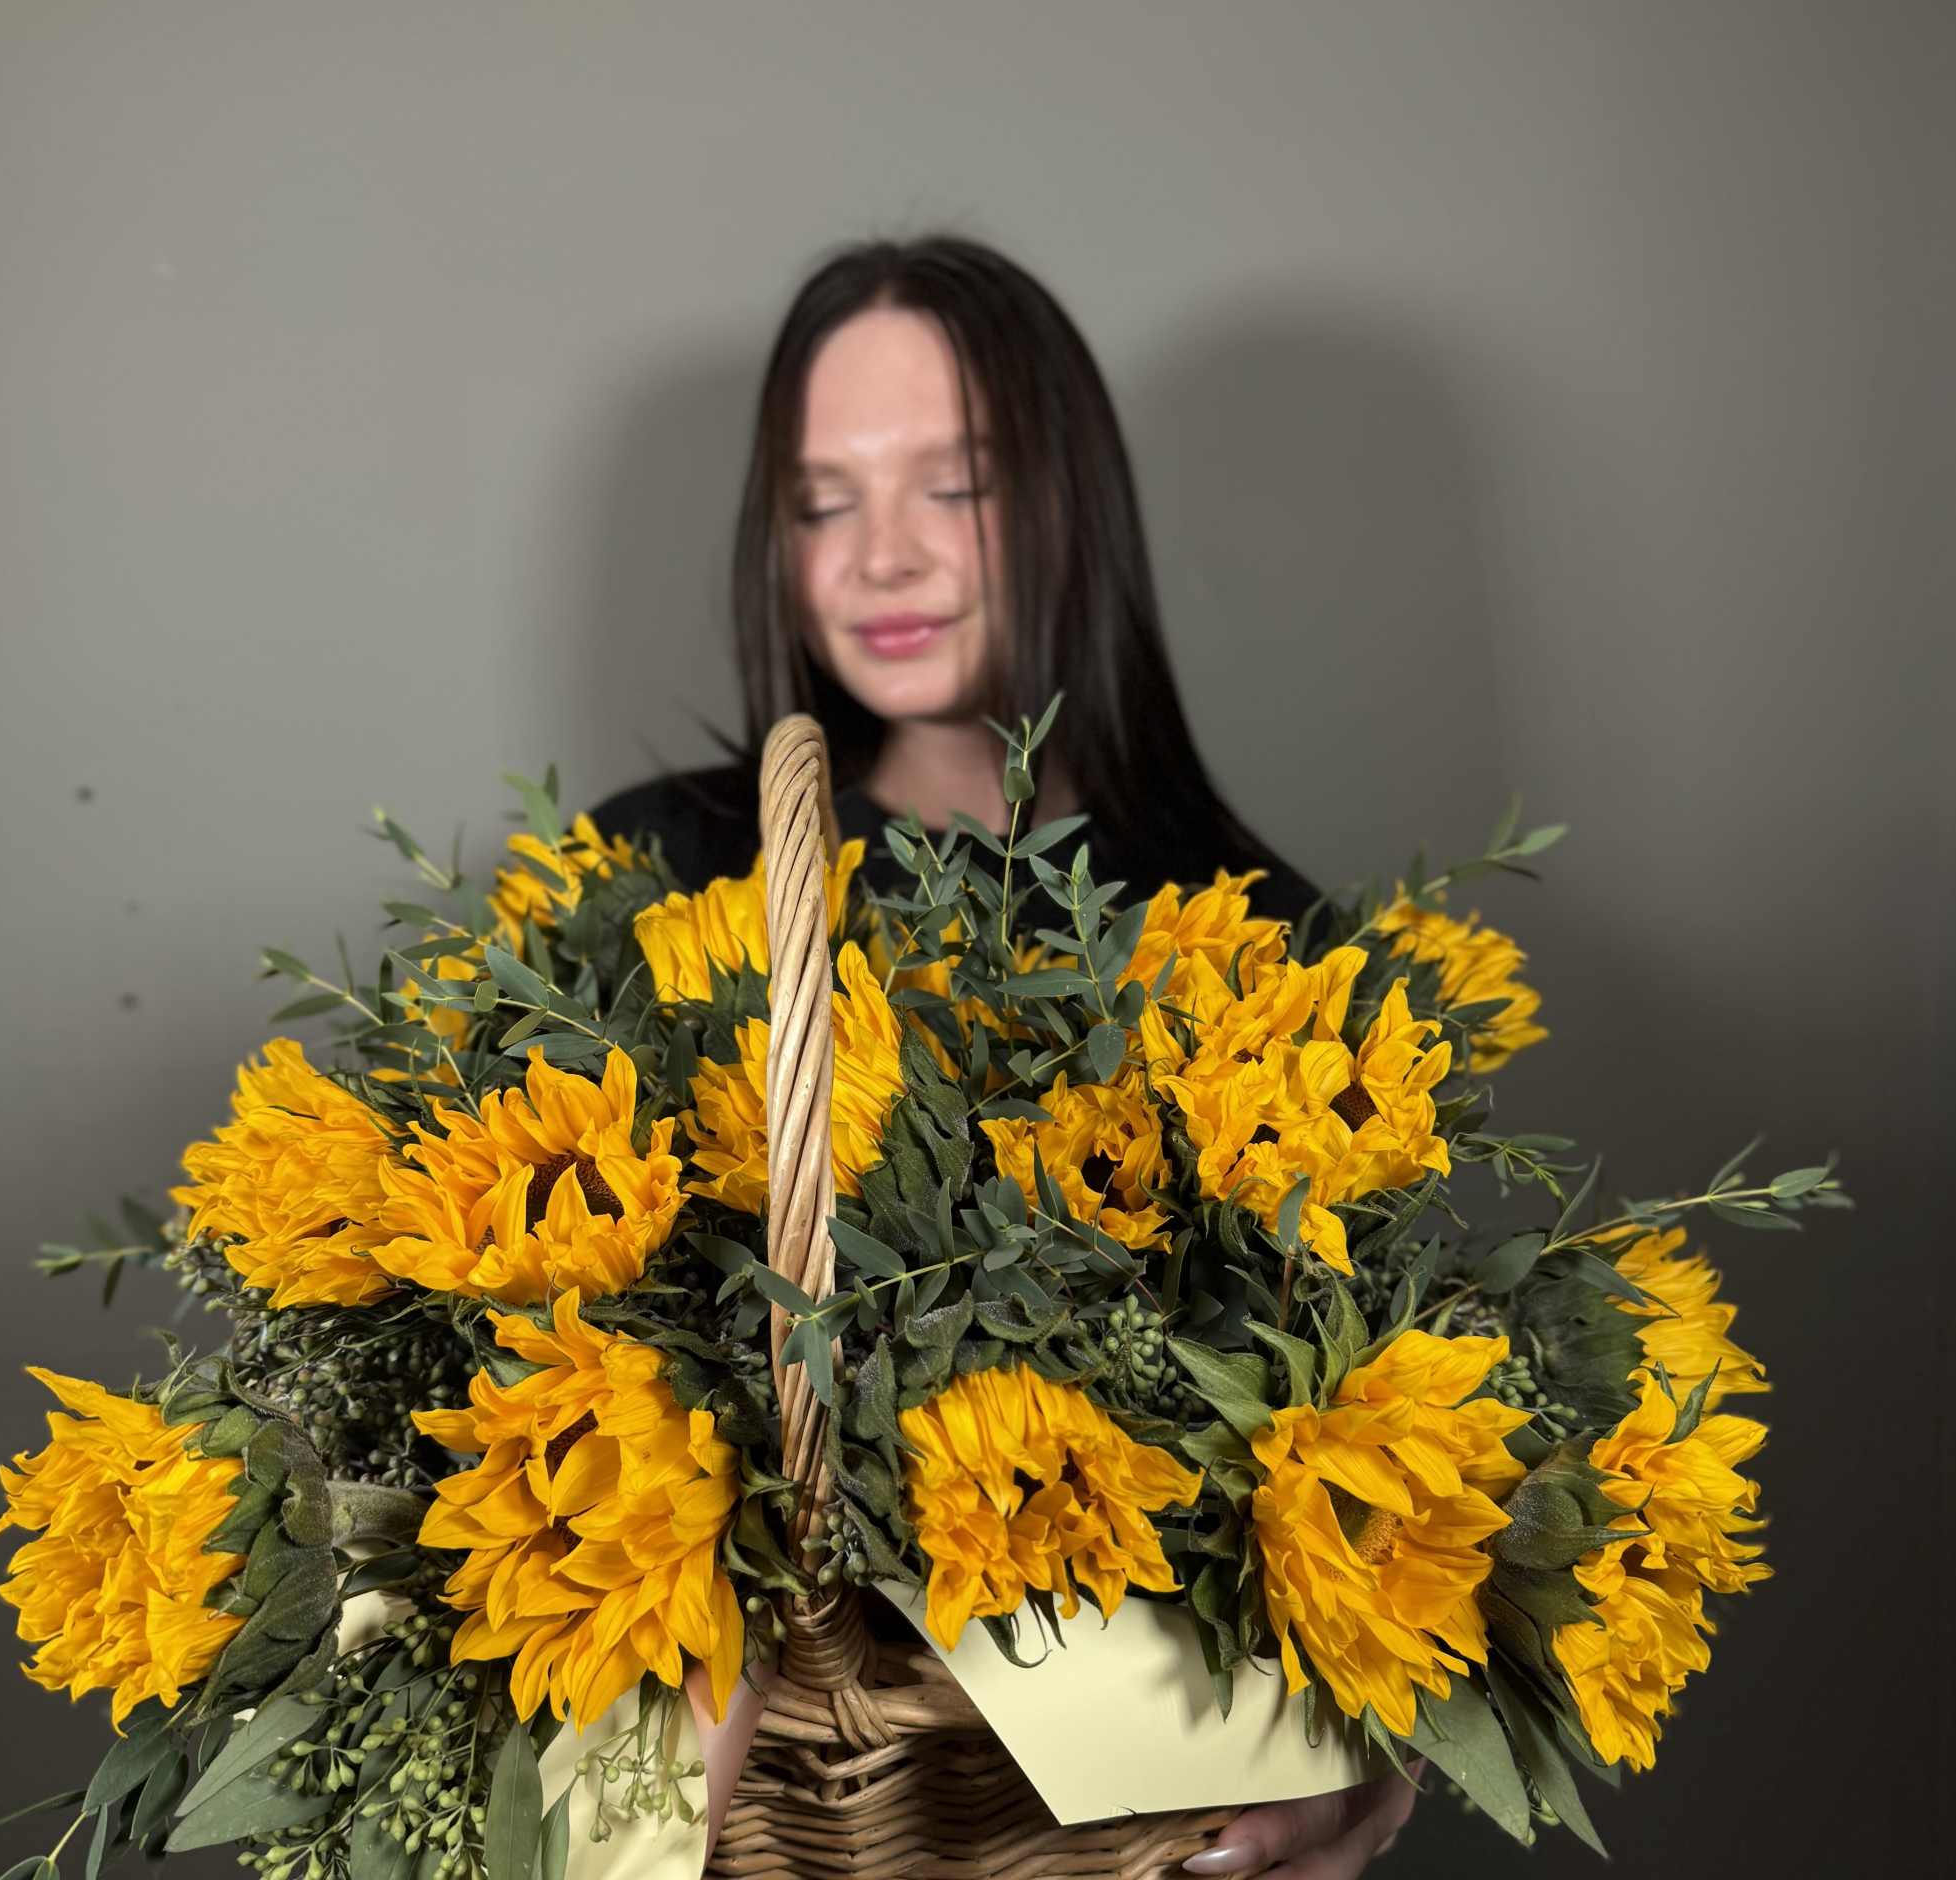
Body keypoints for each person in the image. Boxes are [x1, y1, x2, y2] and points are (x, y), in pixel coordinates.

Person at [591, 234, 1417, 1879]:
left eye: (951, 489)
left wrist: (1363, 1753)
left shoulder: (1254, 940)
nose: (879, 559)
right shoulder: (663, 875)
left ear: (1068, 508)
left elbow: (1369, 1444)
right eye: (822, 504)